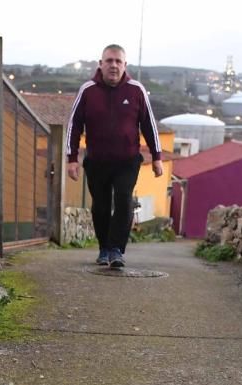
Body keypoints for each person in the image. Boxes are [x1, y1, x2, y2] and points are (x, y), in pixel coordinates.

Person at [66, 44, 164, 268]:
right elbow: (74, 125)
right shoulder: (88, 90)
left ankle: (116, 250)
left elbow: (149, 125)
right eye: (109, 61)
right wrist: (72, 159)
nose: (113, 65)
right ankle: (103, 248)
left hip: (127, 161)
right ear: (100, 64)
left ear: (125, 65)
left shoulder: (136, 90)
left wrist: (157, 157)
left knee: (123, 200)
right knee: (100, 206)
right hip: (97, 161)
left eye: (118, 61)